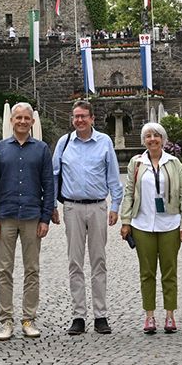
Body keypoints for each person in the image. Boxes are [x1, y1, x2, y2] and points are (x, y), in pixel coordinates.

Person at [52, 100, 120, 335]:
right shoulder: (64, 143)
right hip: (72, 207)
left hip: (98, 206)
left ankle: (100, 315)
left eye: (83, 116)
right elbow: (54, 175)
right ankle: (78, 315)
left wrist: (115, 206)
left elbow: (113, 176)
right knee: (75, 262)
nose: (79, 120)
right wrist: (52, 205)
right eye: (76, 116)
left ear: (92, 118)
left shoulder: (104, 141)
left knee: (99, 261)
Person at [0, 103, 54, 341]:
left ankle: (28, 318)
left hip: (32, 217)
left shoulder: (42, 149)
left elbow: (49, 184)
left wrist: (45, 218)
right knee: (4, 270)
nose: (23, 121)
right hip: (5, 216)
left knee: (32, 270)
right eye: (19, 118)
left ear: (32, 122)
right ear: (12, 121)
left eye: (27, 118)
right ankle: (6, 320)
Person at [119, 122, 182, 334]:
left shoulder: (174, 163)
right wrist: (125, 221)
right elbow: (129, 192)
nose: (152, 139)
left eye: (156, 136)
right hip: (142, 224)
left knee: (169, 272)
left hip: (170, 223)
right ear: (144, 141)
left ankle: (170, 315)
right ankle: (149, 315)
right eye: (148, 136)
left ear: (163, 139)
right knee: (147, 272)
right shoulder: (136, 163)